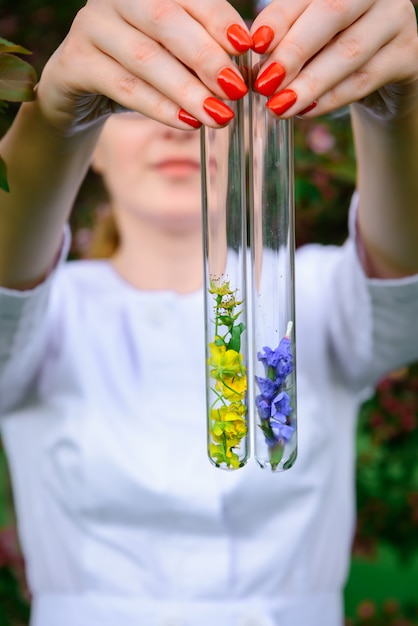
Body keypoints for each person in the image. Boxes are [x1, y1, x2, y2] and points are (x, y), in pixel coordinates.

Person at [0, 0, 417, 625]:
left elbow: (402, 278)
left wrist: (400, 118)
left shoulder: (320, 292)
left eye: (212, 102)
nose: (180, 126)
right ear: (96, 148)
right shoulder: (55, 310)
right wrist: (48, 129)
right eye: (142, 99)